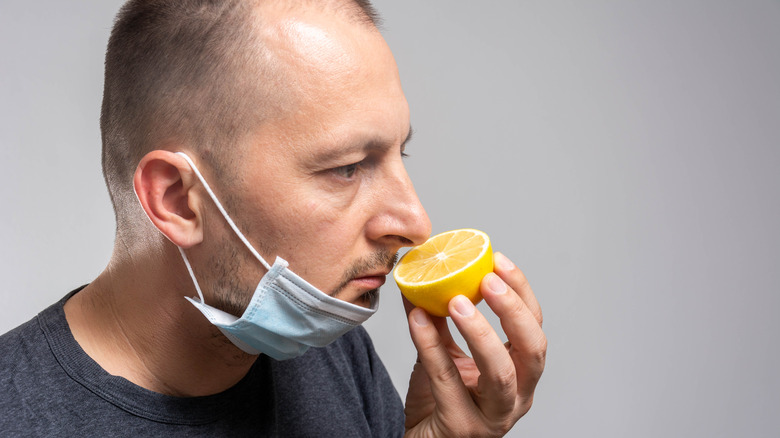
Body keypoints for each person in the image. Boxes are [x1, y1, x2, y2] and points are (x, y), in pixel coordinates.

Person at [0, 0, 546, 436]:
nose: (416, 222)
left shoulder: (331, 353)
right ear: (178, 200)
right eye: (348, 167)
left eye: (398, 154)